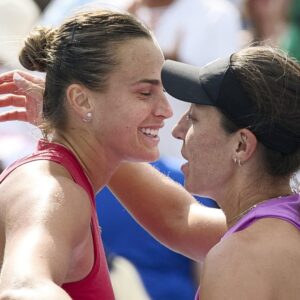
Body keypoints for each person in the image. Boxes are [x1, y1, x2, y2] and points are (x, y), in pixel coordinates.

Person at [2, 44, 300, 299]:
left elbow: (24, 288)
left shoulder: (242, 255)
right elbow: (178, 219)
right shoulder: (278, 226)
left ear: (241, 145)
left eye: (194, 119)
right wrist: (88, 132)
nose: (178, 129)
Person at [0, 8, 179, 300]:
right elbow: (23, 289)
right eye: (146, 93)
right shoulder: (54, 191)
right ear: (81, 100)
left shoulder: (65, 177)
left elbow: (180, 219)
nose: (166, 110)